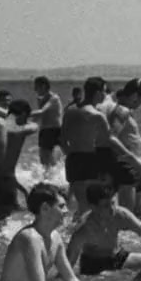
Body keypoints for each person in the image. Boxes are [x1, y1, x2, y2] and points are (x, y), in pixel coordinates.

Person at [0, 183, 97, 281]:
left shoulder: (56, 238)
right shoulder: (29, 238)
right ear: (45, 208)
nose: (66, 211)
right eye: (61, 206)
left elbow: (70, 279)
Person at [67, 183, 141, 276]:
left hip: (117, 256)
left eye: (113, 203)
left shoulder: (121, 215)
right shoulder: (84, 229)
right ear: (93, 207)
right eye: (106, 205)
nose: (112, 209)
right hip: (93, 265)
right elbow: (68, 264)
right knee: (121, 276)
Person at [60, 77, 108, 216]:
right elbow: (109, 140)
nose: (105, 95)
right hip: (90, 159)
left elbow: (62, 139)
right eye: (104, 91)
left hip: (73, 158)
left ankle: (73, 226)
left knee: (81, 203)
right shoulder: (97, 115)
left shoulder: (70, 110)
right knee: (93, 204)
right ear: (97, 93)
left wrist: (70, 153)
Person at [106, 78, 141, 218]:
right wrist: (133, 159)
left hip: (133, 167)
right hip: (127, 165)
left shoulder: (126, 111)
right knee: (127, 217)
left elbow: (128, 138)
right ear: (134, 95)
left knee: (139, 216)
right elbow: (111, 137)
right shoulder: (122, 111)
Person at [0, 100, 38, 230]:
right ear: (23, 115)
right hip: (8, 180)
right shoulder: (22, 129)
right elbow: (34, 125)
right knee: (5, 222)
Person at [29, 76, 63, 168]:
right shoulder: (41, 99)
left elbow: (42, 111)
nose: (35, 90)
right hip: (45, 131)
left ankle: (54, 174)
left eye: (36, 87)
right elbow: (39, 117)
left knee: (49, 160)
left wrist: (23, 113)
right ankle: (49, 175)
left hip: (54, 130)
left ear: (43, 86)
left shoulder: (54, 98)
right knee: (44, 161)